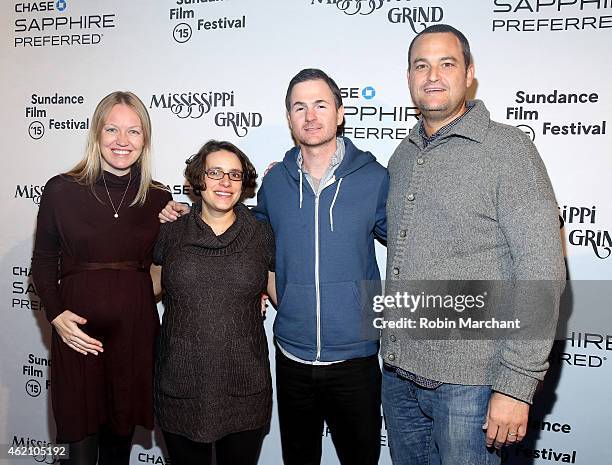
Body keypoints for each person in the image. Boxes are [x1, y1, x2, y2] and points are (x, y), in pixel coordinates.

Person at [159, 69, 388, 465]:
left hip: (356, 357)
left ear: (341, 112)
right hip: (292, 357)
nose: (310, 116)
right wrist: (182, 213)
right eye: (299, 107)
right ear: (289, 118)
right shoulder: (276, 184)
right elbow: (243, 236)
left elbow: (409, 244)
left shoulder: (375, 178)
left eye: (320, 105)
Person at [381, 24, 566, 465]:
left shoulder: (508, 151)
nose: (433, 75)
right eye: (421, 65)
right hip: (399, 376)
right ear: (408, 76)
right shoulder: (403, 155)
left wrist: (516, 385)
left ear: (469, 74)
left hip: (472, 383)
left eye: (447, 63)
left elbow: (541, 270)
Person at [31, 91, 172, 465]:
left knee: (117, 450)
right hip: (78, 338)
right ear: (96, 134)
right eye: (112, 129)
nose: (122, 141)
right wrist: (57, 316)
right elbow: (44, 261)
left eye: (133, 132)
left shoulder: (158, 199)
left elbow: (167, 265)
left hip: (135, 339)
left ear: (145, 140)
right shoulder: (61, 190)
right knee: (75, 446)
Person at [153, 140, 275, 465]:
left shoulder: (263, 235)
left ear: (244, 184)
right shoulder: (170, 232)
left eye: (234, 175)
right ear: (198, 179)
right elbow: (142, 290)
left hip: (244, 388)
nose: (225, 182)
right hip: (181, 385)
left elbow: (285, 297)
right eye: (215, 172)